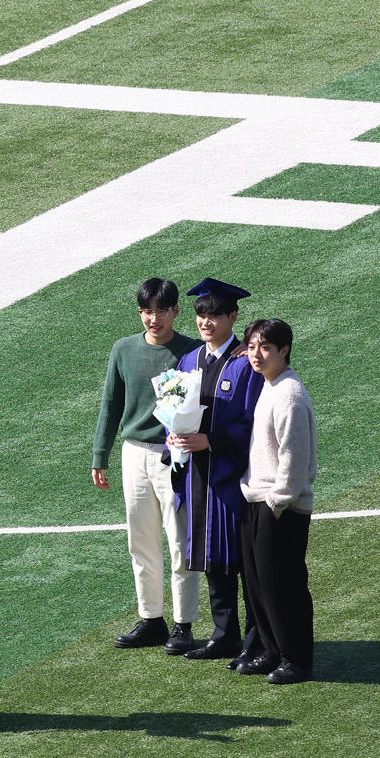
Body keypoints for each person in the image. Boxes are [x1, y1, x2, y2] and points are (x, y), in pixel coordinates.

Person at [92, 277, 203, 653]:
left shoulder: (192, 351)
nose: (153, 319)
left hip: (176, 455)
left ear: (175, 310)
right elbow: (110, 405)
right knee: (140, 540)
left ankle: (183, 624)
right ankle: (151, 619)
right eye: (146, 311)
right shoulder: (123, 350)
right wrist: (99, 456)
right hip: (133, 454)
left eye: (160, 311)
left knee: (179, 541)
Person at [167, 278, 264, 663]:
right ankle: (224, 635)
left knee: (245, 565)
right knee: (211, 559)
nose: (206, 322)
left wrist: (214, 442)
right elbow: (170, 414)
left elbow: (255, 422)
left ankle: (257, 643)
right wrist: (171, 441)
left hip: (234, 478)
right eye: (201, 315)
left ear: (232, 317)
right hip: (197, 477)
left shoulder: (246, 364)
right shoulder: (187, 362)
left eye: (214, 315)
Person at [237, 318, 316, 684]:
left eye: (265, 348)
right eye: (252, 347)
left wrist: (279, 499)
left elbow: (294, 455)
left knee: (282, 585)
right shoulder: (270, 385)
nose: (256, 354)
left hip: (279, 505)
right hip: (258, 500)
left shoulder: (289, 393)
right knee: (258, 583)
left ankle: (296, 659)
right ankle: (271, 652)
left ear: (284, 351)